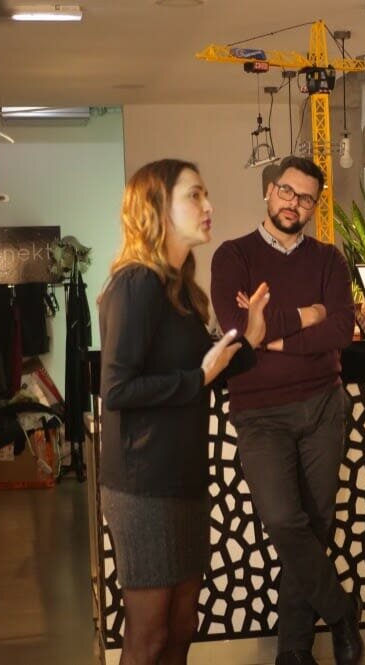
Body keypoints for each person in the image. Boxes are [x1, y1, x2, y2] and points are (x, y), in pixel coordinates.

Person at [99, 159, 269, 665]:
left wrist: (251, 340)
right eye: (194, 196)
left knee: (181, 628)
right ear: (157, 209)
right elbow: (117, 389)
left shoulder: (180, 288)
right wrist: (200, 378)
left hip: (182, 476)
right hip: (142, 483)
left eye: (205, 194)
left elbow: (206, 370)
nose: (208, 206)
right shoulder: (135, 283)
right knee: (149, 636)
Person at [209, 156, 361, 665]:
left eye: (306, 198)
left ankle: (293, 651)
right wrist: (305, 317)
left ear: (314, 206)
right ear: (269, 191)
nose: (295, 204)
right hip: (259, 413)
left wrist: (268, 339)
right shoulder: (233, 256)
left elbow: (340, 330)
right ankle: (340, 612)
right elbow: (236, 328)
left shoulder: (329, 260)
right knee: (282, 519)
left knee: (315, 524)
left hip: (323, 405)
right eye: (287, 192)